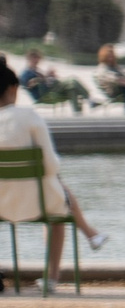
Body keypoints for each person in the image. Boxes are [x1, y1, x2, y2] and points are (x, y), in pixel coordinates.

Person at [0, 60, 107, 290]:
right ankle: (51, 278)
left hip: (1, 205)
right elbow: (51, 166)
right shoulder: (29, 117)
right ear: (12, 89)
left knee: (56, 193)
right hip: (36, 203)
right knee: (57, 209)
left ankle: (91, 235)